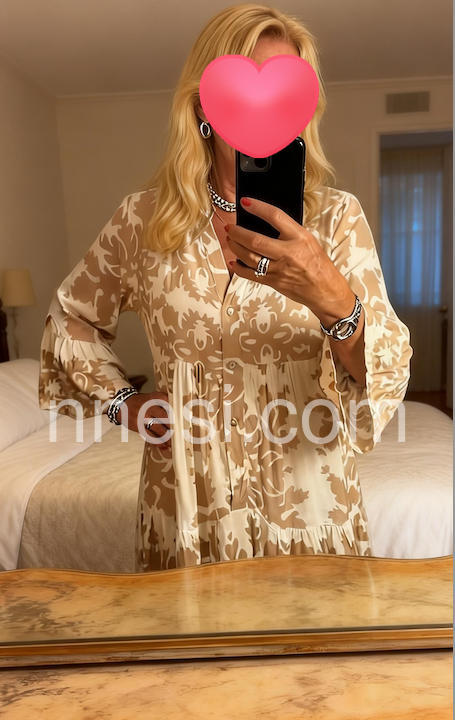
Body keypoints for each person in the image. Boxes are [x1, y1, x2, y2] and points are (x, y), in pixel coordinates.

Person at [39, 3, 412, 571]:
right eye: (245, 94)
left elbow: (384, 378)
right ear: (202, 106)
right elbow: (72, 319)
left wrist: (333, 298)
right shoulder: (142, 221)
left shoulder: (336, 219)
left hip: (310, 497)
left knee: (315, 629)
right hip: (189, 502)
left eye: (284, 97)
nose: (265, 114)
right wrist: (123, 403)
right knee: (194, 629)